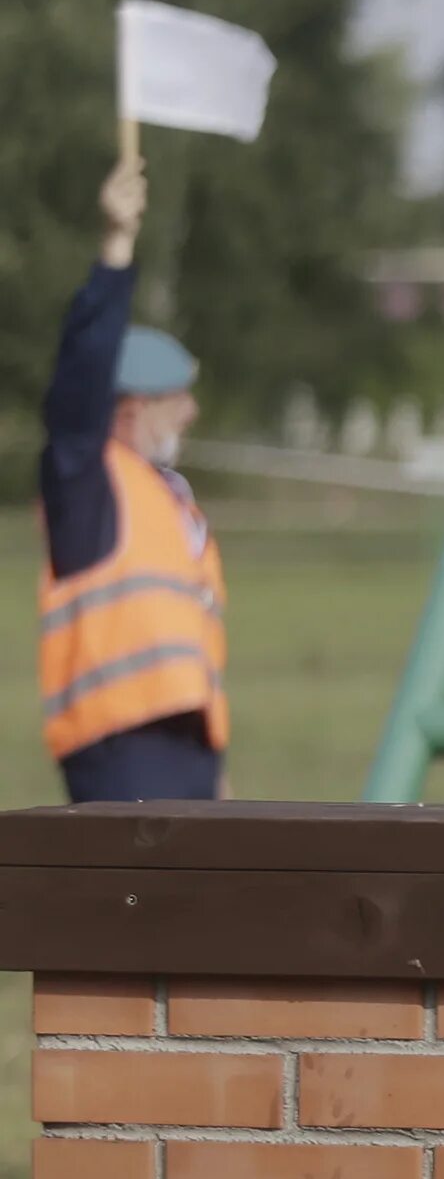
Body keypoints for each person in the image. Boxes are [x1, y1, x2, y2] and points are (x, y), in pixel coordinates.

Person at [36, 156, 229, 802]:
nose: (192, 412)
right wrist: (115, 251)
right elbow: (78, 386)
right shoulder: (87, 480)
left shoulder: (166, 496)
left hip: (187, 744)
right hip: (121, 751)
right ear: (133, 406)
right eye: (179, 398)